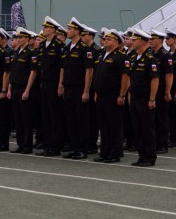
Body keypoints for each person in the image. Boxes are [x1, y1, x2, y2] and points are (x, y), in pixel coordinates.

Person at [60, 18, 95, 160]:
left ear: (77, 31)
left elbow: (89, 71)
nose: (67, 31)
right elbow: (63, 68)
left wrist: (86, 91)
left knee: (81, 120)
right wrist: (60, 84)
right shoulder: (67, 48)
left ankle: (82, 149)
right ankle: (74, 147)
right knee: (70, 119)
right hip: (68, 88)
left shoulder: (85, 49)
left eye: (69, 29)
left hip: (79, 88)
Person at [93, 29, 128, 162]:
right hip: (101, 96)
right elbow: (98, 75)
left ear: (117, 42)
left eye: (109, 39)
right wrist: (96, 92)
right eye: (105, 39)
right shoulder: (102, 55)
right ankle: (104, 152)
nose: (105, 40)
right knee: (103, 125)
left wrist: (122, 95)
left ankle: (114, 153)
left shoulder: (120, 57)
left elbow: (125, 77)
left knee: (114, 125)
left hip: (113, 96)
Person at [127, 29, 159, 167]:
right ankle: (141, 155)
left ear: (142, 41)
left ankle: (150, 156)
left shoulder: (150, 59)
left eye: (134, 40)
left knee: (147, 128)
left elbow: (155, 79)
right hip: (134, 97)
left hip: (145, 98)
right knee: (137, 128)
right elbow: (131, 79)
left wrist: (152, 99)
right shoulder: (134, 58)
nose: (132, 42)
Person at [36, 17, 64, 157]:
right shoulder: (42, 46)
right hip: (44, 83)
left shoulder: (59, 45)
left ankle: (55, 145)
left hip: (54, 83)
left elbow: (61, 68)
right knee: (45, 115)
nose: (44, 29)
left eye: (47, 27)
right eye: (44, 27)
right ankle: (47, 145)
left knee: (55, 115)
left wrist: (60, 84)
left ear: (53, 29)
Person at [9, 27, 38, 154]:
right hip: (15, 87)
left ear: (27, 38)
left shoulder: (31, 53)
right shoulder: (16, 52)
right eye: (17, 37)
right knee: (18, 118)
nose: (18, 40)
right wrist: (9, 88)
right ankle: (20, 144)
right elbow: (12, 72)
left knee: (26, 118)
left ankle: (27, 145)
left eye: (20, 37)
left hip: (23, 88)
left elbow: (33, 72)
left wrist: (27, 90)